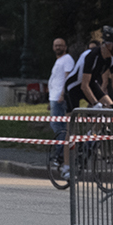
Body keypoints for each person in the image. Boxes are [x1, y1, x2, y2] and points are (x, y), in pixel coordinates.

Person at [64, 26, 113, 111]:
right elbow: (84, 85)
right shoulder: (92, 56)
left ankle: (99, 124)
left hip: (91, 83)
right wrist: (95, 103)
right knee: (73, 118)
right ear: (109, 45)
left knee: (111, 109)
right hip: (74, 85)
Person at [46, 38, 75, 167]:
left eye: (60, 45)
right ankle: (60, 154)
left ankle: (60, 154)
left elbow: (67, 77)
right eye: (56, 45)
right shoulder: (59, 60)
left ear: (65, 47)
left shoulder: (67, 59)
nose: (58, 47)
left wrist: (63, 94)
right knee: (57, 126)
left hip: (59, 97)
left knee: (59, 127)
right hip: (54, 97)